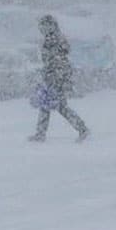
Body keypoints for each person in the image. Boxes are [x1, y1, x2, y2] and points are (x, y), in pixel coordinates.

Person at [29, 14, 90, 142]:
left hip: (57, 78)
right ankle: (41, 133)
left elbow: (57, 61)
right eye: (41, 26)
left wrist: (56, 76)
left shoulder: (53, 40)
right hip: (54, 77)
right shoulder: (53, 39)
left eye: (44, 26)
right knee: (46, 106)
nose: (42, 29)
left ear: (51, 26)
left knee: (60, 106)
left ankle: (82, 128)